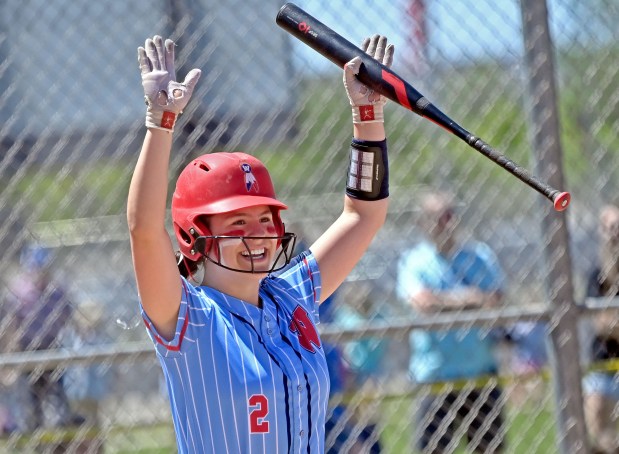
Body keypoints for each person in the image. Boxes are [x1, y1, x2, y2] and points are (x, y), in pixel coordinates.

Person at [128, 33, 394, 453]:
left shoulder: (292, 296)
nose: (259, 235)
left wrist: (368, 114)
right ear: (195, 235)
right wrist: (159, 122)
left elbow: (363, 214)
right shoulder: (188, 317)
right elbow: (143, 229)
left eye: (265, 220)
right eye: (238, 222)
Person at [396, 190, 506, 453]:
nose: (447, 222)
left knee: (489, 448)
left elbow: (495, 298)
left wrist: (443, 302)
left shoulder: (479, 255)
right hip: (434, 375)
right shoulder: (414, 261)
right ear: (423, 223)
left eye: (450, 215)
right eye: (438, 217)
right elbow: (422, 303)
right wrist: (469, 298)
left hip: (479, 372)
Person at [4, 245, 75, 431]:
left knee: (57, 393)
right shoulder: (20, 292)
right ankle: (34, 431)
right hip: (27, 348)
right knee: (30, 395)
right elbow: (12, 322)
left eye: (44, 269)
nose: (40, 274)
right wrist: (11, 347)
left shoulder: (57, 291)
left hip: (51, 345)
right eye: (36, 269)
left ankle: (62, 432)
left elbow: (67, 316)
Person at [582, 204, 619, 454]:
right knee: (597, 427)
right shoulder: (597, 274)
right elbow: (601, 324)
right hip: (604, 363)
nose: (613, 234)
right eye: (609, 228)